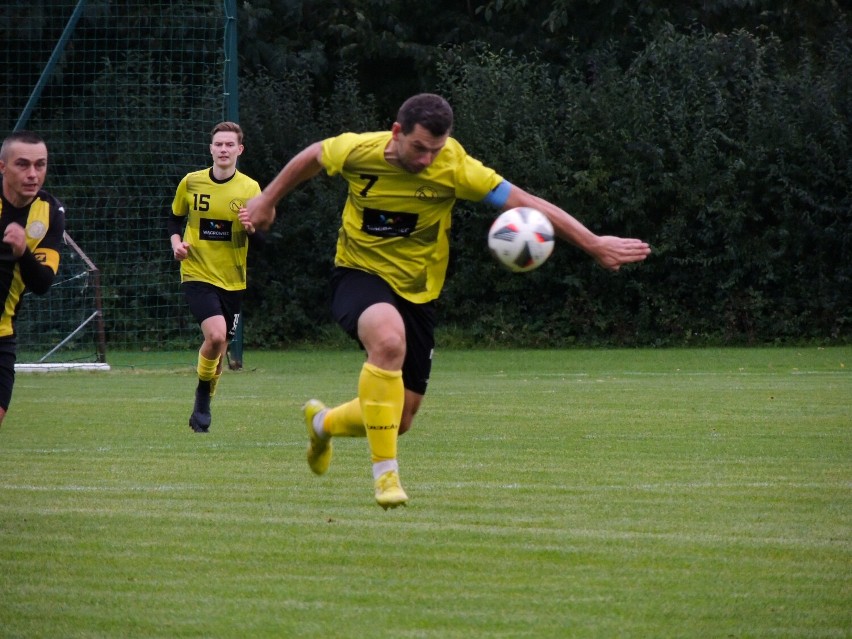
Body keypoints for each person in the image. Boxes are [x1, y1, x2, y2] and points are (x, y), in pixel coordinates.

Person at [244, 93, 651, 509]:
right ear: (397, 132)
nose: (426, 159)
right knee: (387, 341)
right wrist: (267, 199)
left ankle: (323, 422)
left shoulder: (455, 168)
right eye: (419, 147)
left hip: (420, 291)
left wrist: (593, 243)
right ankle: (385, 477)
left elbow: (529, 204)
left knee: (399, 418)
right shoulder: (359, 150)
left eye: (435, 150)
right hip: (358, 274)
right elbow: (313, 156)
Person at [169, 121, 262, 433]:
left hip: (233, 279)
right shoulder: (191, 183)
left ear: (239, 150)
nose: (223, 149)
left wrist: (252, 227)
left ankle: (205, 393)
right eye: (218, 144)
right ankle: (202, 396)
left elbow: (260, 235)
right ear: (211, 148)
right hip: (196, 272)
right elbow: (173, 218)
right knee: (217, 336)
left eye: (229, 145)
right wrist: (176, 245)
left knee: (219, 350)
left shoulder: (250, 189)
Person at [0, 131, 66, 427]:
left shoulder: (50, 211)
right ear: (3, 167)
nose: (32, 174)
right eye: (23, 164)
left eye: (40, 165)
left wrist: (22, 250)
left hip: (3, 334)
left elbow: (42, 284)